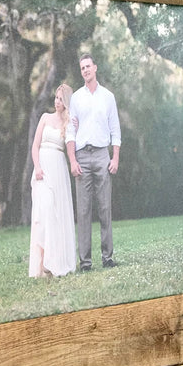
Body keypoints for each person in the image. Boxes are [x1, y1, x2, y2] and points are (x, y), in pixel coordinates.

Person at [66, 54, 120, 271]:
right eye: (82, 68)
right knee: (84, 210)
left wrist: (115, 157)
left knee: (105, 207)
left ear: (95, 68)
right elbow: (70, 132)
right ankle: (85, 262)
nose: (85, 70)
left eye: (88, 66)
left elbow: (115, 130)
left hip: (101, 155)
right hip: (82, 157)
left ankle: (107, 257)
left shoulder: (108, 97)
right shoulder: (76, 98)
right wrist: (72, 160)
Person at [29, 83, 76, 277]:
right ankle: (42, 262)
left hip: (58, 168)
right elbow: (34, 146)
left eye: (61, 99)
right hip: (43, 168)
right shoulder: (45, 118)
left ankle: (52, 262)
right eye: (56, 98)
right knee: (43, 211)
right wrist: (37, 167)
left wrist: (76, 126)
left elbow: (72, 144)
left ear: (66, 103)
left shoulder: (68, 123)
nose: (57, 102)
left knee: (55, 213)